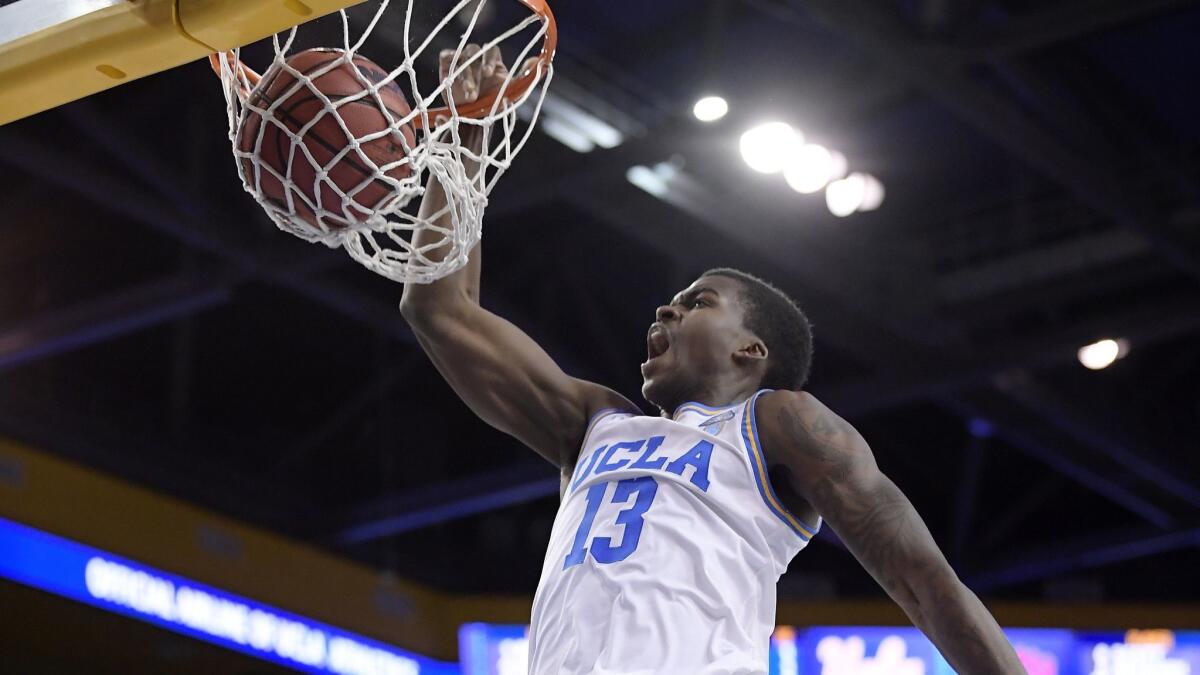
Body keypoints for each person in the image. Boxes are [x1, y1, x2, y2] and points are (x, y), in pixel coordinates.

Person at [399, 46, 1026, 675]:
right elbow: (441, 309)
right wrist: (465, 136)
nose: (665, 313)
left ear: (750, 350)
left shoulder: (780, 422)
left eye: (697, 302)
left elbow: (922, 580)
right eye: (670, 303)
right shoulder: (595, 422)